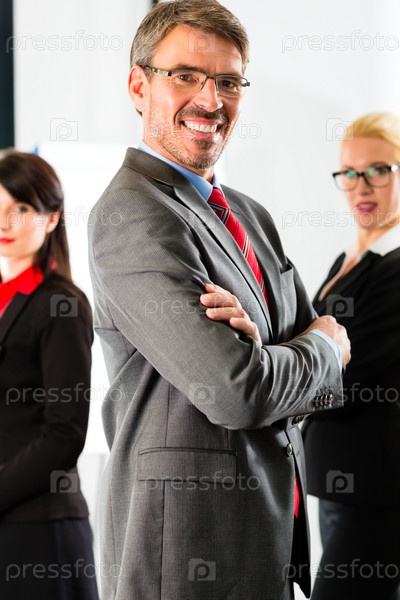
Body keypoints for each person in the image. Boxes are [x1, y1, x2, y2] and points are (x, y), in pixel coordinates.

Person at [88, 2, 350, 599]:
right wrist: (318, 350)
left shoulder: (251, 216)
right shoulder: (133, 213)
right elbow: (239, 391)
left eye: (229, 82)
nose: (210, 101)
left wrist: (272, 356)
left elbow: (299, 377)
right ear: (139, 86)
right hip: (185, 551)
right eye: (185, 75)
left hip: (268, 539)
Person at [302, 111, 400, 599]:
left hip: (379, 490)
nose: (362, 187)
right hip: (338, 481)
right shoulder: (349, 260)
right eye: (350, 173)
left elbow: (350, 376)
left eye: (378, 170)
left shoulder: (395, 265)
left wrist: (275, 379)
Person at [0, 150, 99, 600]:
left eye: (21, 208)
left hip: (40, 530)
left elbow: (65, 433)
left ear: (52, 217)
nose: (5, 222)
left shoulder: (61, 305)